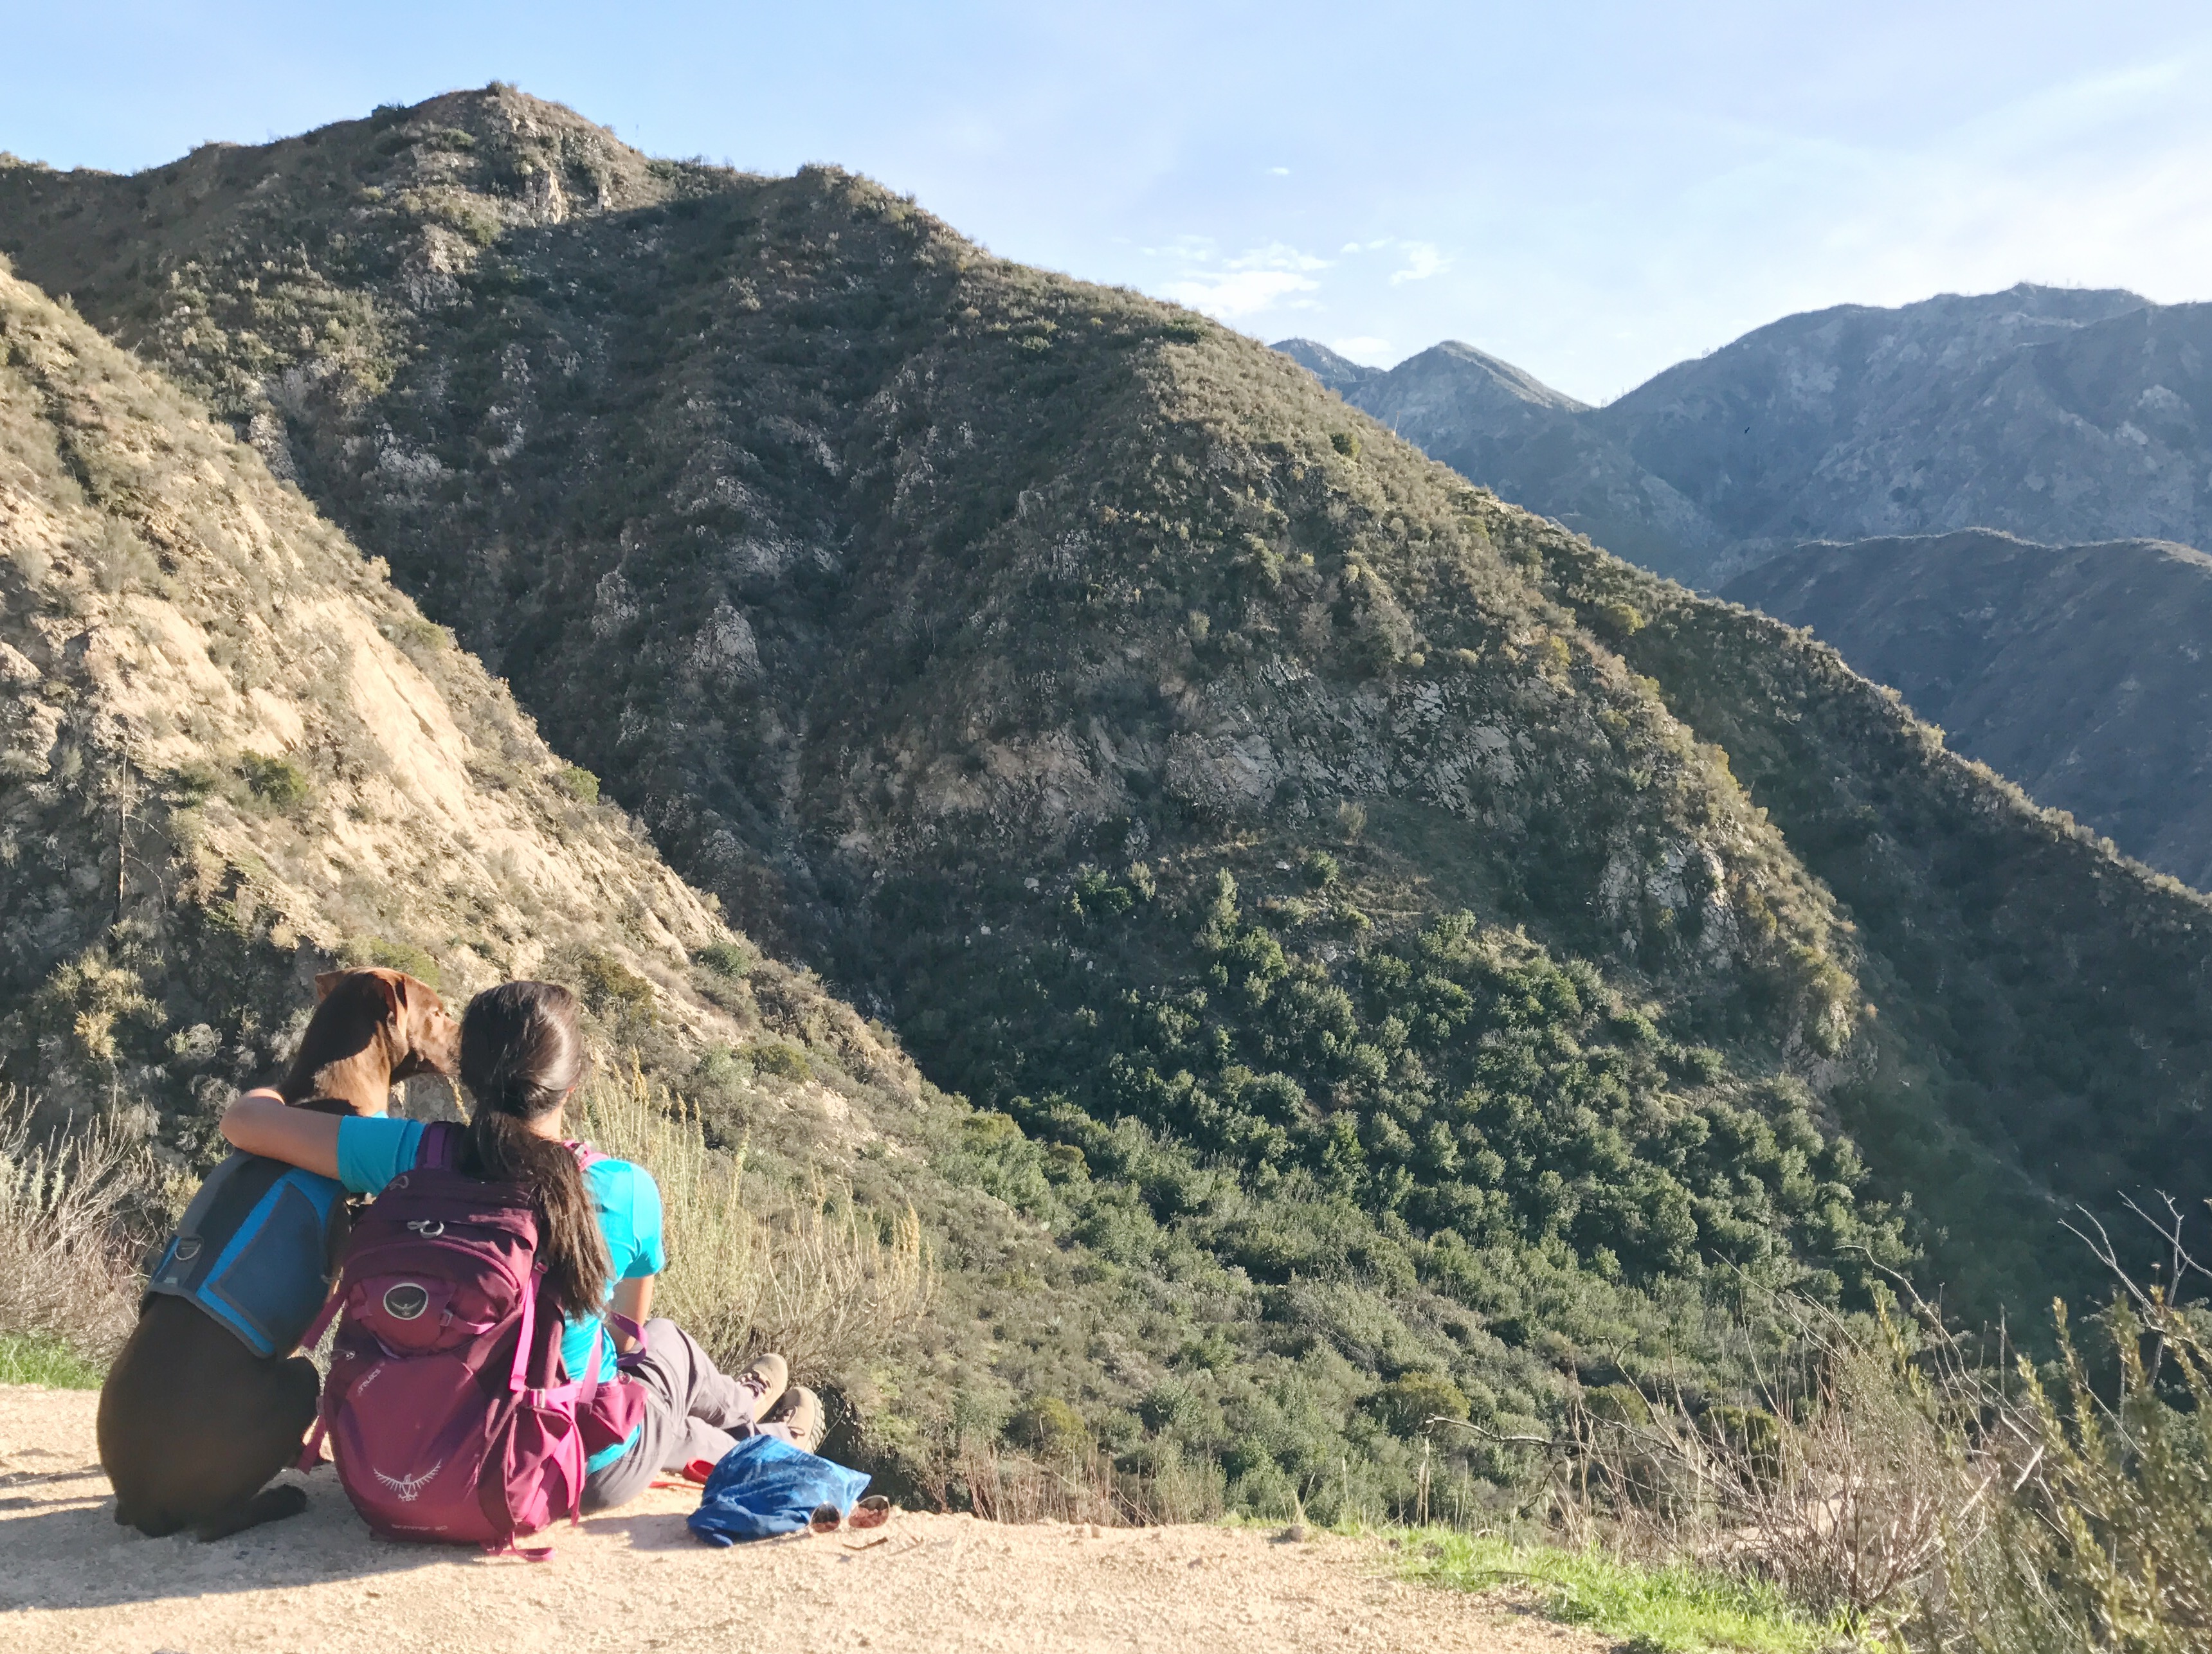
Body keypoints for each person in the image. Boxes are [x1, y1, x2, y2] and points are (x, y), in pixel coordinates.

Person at [222, 978, 820, 1511]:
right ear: (572, 1082)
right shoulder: (622, 1188)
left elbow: (243, 1123)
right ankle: (770, 1436)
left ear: (467, 1075)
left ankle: (746, 1408)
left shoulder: (406, 1151)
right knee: (665, 1358)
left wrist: (280, 1086)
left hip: (398, 1458)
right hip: (558, 1466)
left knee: (658, 1372)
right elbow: (619, 1344)